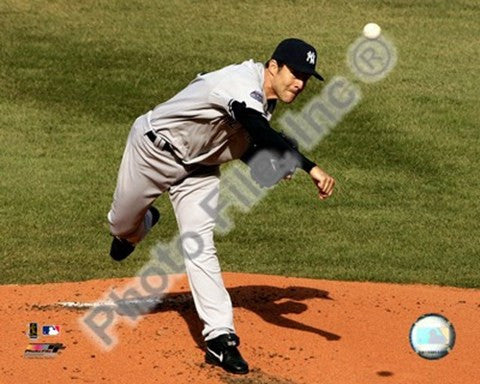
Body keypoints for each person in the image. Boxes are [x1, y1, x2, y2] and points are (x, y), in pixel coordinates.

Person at [107, 38, 335, 375]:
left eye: (306, 77)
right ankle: (140, 225)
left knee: (199, 243)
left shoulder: (264, 100)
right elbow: (256, 127)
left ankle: (220, 339)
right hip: (153, 152)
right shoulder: (239, 85)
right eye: (295, 73)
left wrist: (267, 166)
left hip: (198, 170)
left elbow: (243, 144)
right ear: (273, 67)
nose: (299, 83)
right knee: (122, 227)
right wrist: (309, 166)